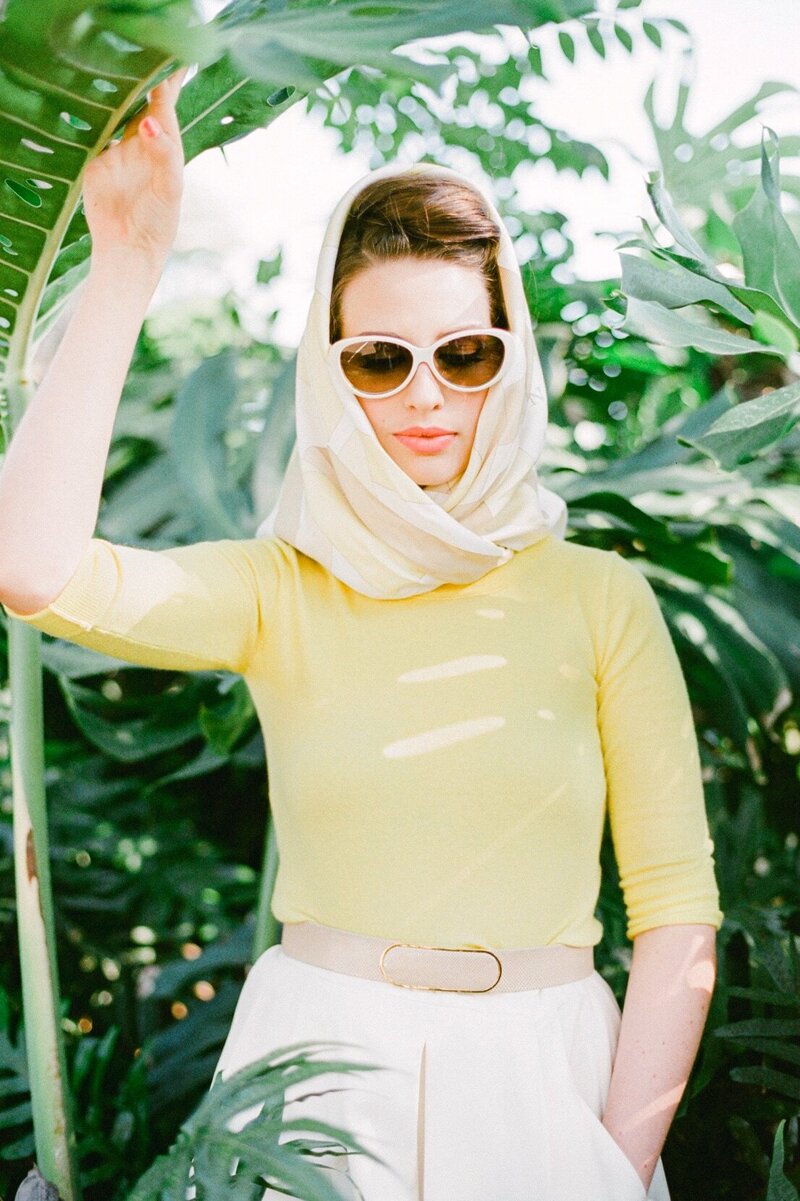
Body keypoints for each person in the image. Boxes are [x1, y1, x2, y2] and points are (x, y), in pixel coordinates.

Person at [0, 67, 724, 1201]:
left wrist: (615, 1163)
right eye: (380, 360)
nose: (426, 397)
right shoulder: (281, 588)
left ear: (508, 356)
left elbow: (677, 912)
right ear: (332, 373)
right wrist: (128, 265)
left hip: (546, 1083)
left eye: (465, 353)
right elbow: (33, 568)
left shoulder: (597, 600)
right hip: (316, 1075)